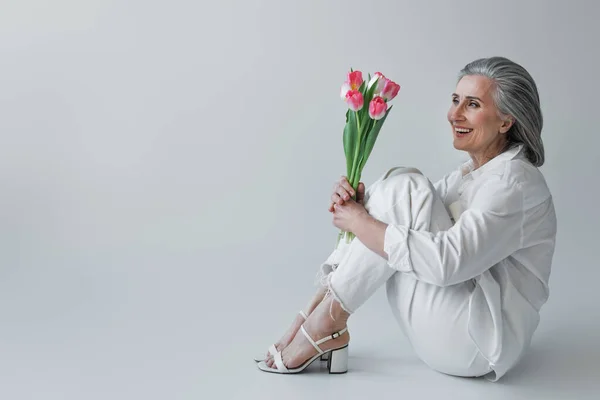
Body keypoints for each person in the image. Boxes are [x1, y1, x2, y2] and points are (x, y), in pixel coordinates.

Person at [254, 56, 557, 381]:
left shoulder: (513, 183)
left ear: (506, 121)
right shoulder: (474, 173)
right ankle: (320, 313)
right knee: (401, 184)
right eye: (455, 100)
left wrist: (360, 222)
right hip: (455, 325)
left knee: (406, 188)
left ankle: (323, 322)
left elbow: (447, 262)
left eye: (472, 104)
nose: (454, 114)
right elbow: (408, 216)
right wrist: (363, 207)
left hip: (475, 343)